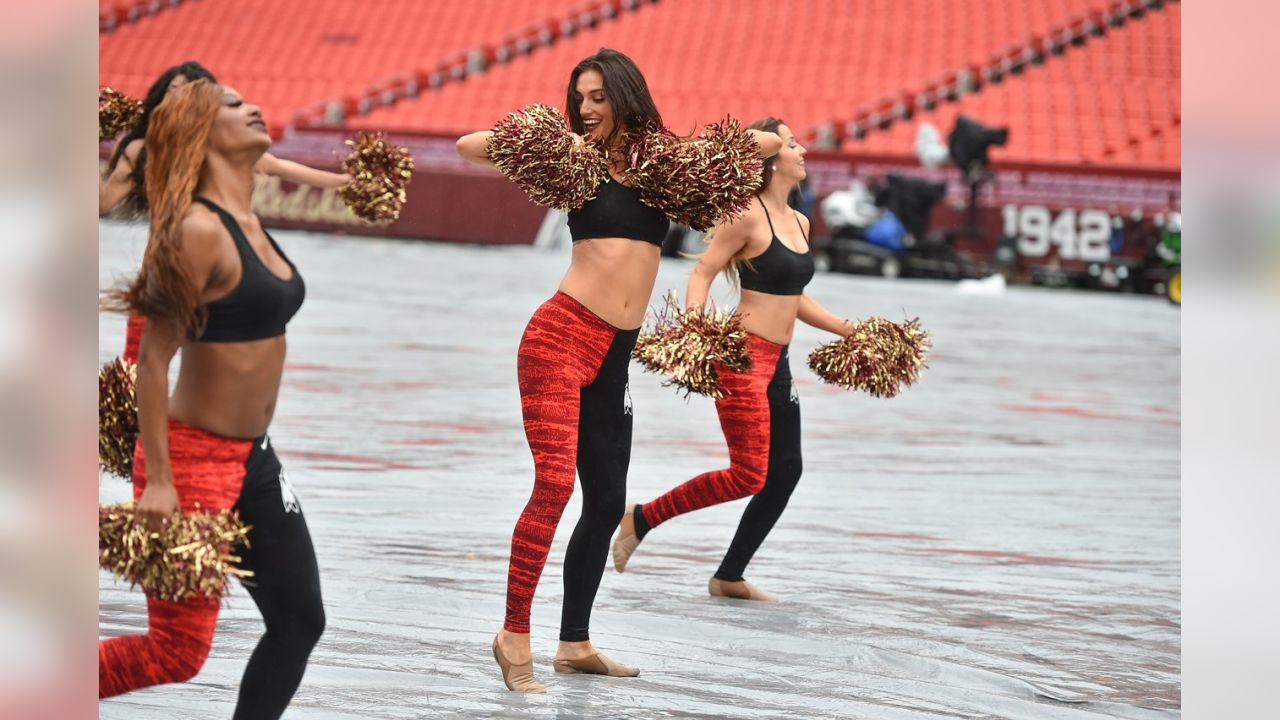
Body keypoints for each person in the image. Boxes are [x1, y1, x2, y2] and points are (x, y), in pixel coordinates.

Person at [456, 48, 780, 692]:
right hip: (558, 340)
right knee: (554, 487)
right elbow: (469, 145)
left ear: (627, 97)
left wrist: (762, 140)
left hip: (613, 356)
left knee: (605, 501)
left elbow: (756, 144)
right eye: (580, 96)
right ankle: (512, 632)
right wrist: (543, 138)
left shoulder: (660, 167)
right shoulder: (572, 163)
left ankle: (574, 643)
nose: (586, 107)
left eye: (599, 96)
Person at [99, 80, 324, 720]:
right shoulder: (196, 230)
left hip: (254, 458)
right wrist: (161, 481)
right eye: (231, 105)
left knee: (299, 618)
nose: (252, 105)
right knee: (174, 654)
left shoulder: (246, 216)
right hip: (191, 464)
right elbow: (152, 358)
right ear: (202, 135)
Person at [611, 117, 855, 603]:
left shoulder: (801, 222)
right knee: (748, 474)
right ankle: (642, 516)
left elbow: (793, 296)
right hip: (741, 359)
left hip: (778, 362)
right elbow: (702, 273)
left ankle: (729, 575)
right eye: (792, 143)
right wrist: (697, 328)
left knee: (786, 469)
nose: (802, 148)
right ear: (770, 158)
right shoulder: (744, 215)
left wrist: (850, 329)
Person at [101, 61, 350, 363]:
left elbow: (283, 168)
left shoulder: (225, 149)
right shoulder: (141, 150)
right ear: (158, 99)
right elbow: (102, 203)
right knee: (138, 365)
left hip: (225, 275)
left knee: (221, 369)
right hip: (164, 273)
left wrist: (349, 182)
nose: (178, 100)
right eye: (172, 92)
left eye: (190, 94)